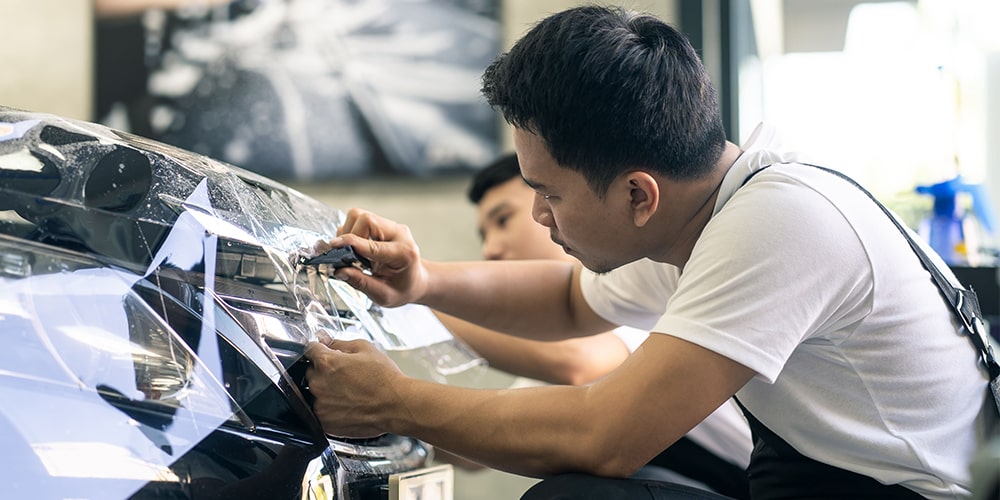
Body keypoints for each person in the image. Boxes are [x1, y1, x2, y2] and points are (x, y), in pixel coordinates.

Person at [304, 5, 996, 499]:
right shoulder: (708, 210)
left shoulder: (778, 224)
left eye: (549, 195)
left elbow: (604, 435)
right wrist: (422, 282)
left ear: (639, 196)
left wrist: (395, 403)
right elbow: (570, 301)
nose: (541, 216)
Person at [433, 153, 752, 496]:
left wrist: (409, 304)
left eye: (504, 220)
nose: (490, 250)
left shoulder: (630, 287)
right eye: (484, 235)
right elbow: (478, 448)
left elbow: (576, 362)